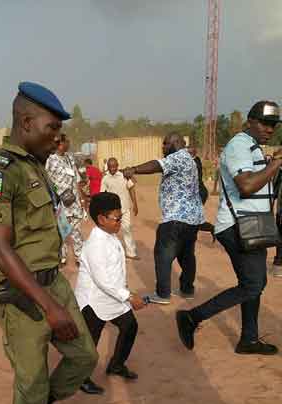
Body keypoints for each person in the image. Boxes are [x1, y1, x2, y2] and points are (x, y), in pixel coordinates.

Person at [0, 81, 98, 404]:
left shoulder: (34, 165)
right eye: (52, 128)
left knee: (84, 357)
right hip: (24, 294)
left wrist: (56, 295)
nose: (58, 137)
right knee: (31, 374)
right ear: (26, 121)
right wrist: (47, 305)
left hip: (54, 279)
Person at [177, 101, 282, 355]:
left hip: (251, 224)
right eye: (265, 123)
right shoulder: (239, 145)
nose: (270, 129)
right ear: (250, 121)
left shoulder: (254, 147)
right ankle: (192, 317)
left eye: (274, 125)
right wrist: (275, 164)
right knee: (253, 285)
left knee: (253, 282)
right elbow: (246, 186)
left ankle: (249, 339)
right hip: (238, 225)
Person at [75, 192, 146, 395]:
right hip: (94, 300)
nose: (119, 222)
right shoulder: (96, 244)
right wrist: (129, 296)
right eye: (116, 218)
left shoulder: (110, 236)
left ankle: (116, 365)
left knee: (130, 326)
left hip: (112, 296)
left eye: (120, 217)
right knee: (90, 344)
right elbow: (102, 280)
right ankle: (81, 378)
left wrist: (124, 294)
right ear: (101, 219)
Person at [128, 134, 204, 304]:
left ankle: (163, 294)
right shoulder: (189, 159)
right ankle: (187, 289)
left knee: (162, 255)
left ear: (176, 143)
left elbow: (157, 165)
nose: (162, 147)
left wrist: (134, 169)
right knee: (186, 255)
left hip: (175, 218)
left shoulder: (177, 157)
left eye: (165, 144)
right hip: (192, 219)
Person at [45, 133, 85, 265]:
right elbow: (46, 180)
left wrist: (82, 200)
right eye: (67, 142)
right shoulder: (50, 160)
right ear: (60, 144)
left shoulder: (70, 158)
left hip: (74, 203)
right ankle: (62, 257)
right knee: (60, 231)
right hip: (60, 203)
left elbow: (77, 180)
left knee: (77, 231)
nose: (69, 144)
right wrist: (55, 196)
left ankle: (79, 256)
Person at [101, 157, 139, 260]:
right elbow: (103, 194)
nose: (112, 169)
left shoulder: (124, 176)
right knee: (112, 231)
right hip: (112, 210)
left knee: (127, 228)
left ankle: (131, 252)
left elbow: (131, 189)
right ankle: (113, 253)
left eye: (114, 166)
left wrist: (135, 204)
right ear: (107, 167)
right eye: (110, 167)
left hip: (125, 208)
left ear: (117, 166)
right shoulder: (105, 178)